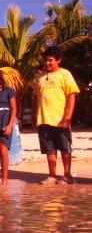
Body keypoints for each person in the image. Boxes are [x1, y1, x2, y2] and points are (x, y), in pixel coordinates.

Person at [31, 46, 80, 185]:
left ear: (58, 60)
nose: (47, 63)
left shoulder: (65, 74)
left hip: (60, 119)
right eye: (45, 60)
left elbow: (71, 95)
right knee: (49, 149)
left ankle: (67, 175)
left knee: (65, 148)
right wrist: (34, 115)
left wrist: (69, 115)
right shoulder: (40, 77)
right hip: (43, 119)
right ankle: (52, 175)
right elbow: (35, 98)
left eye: (50, 60)